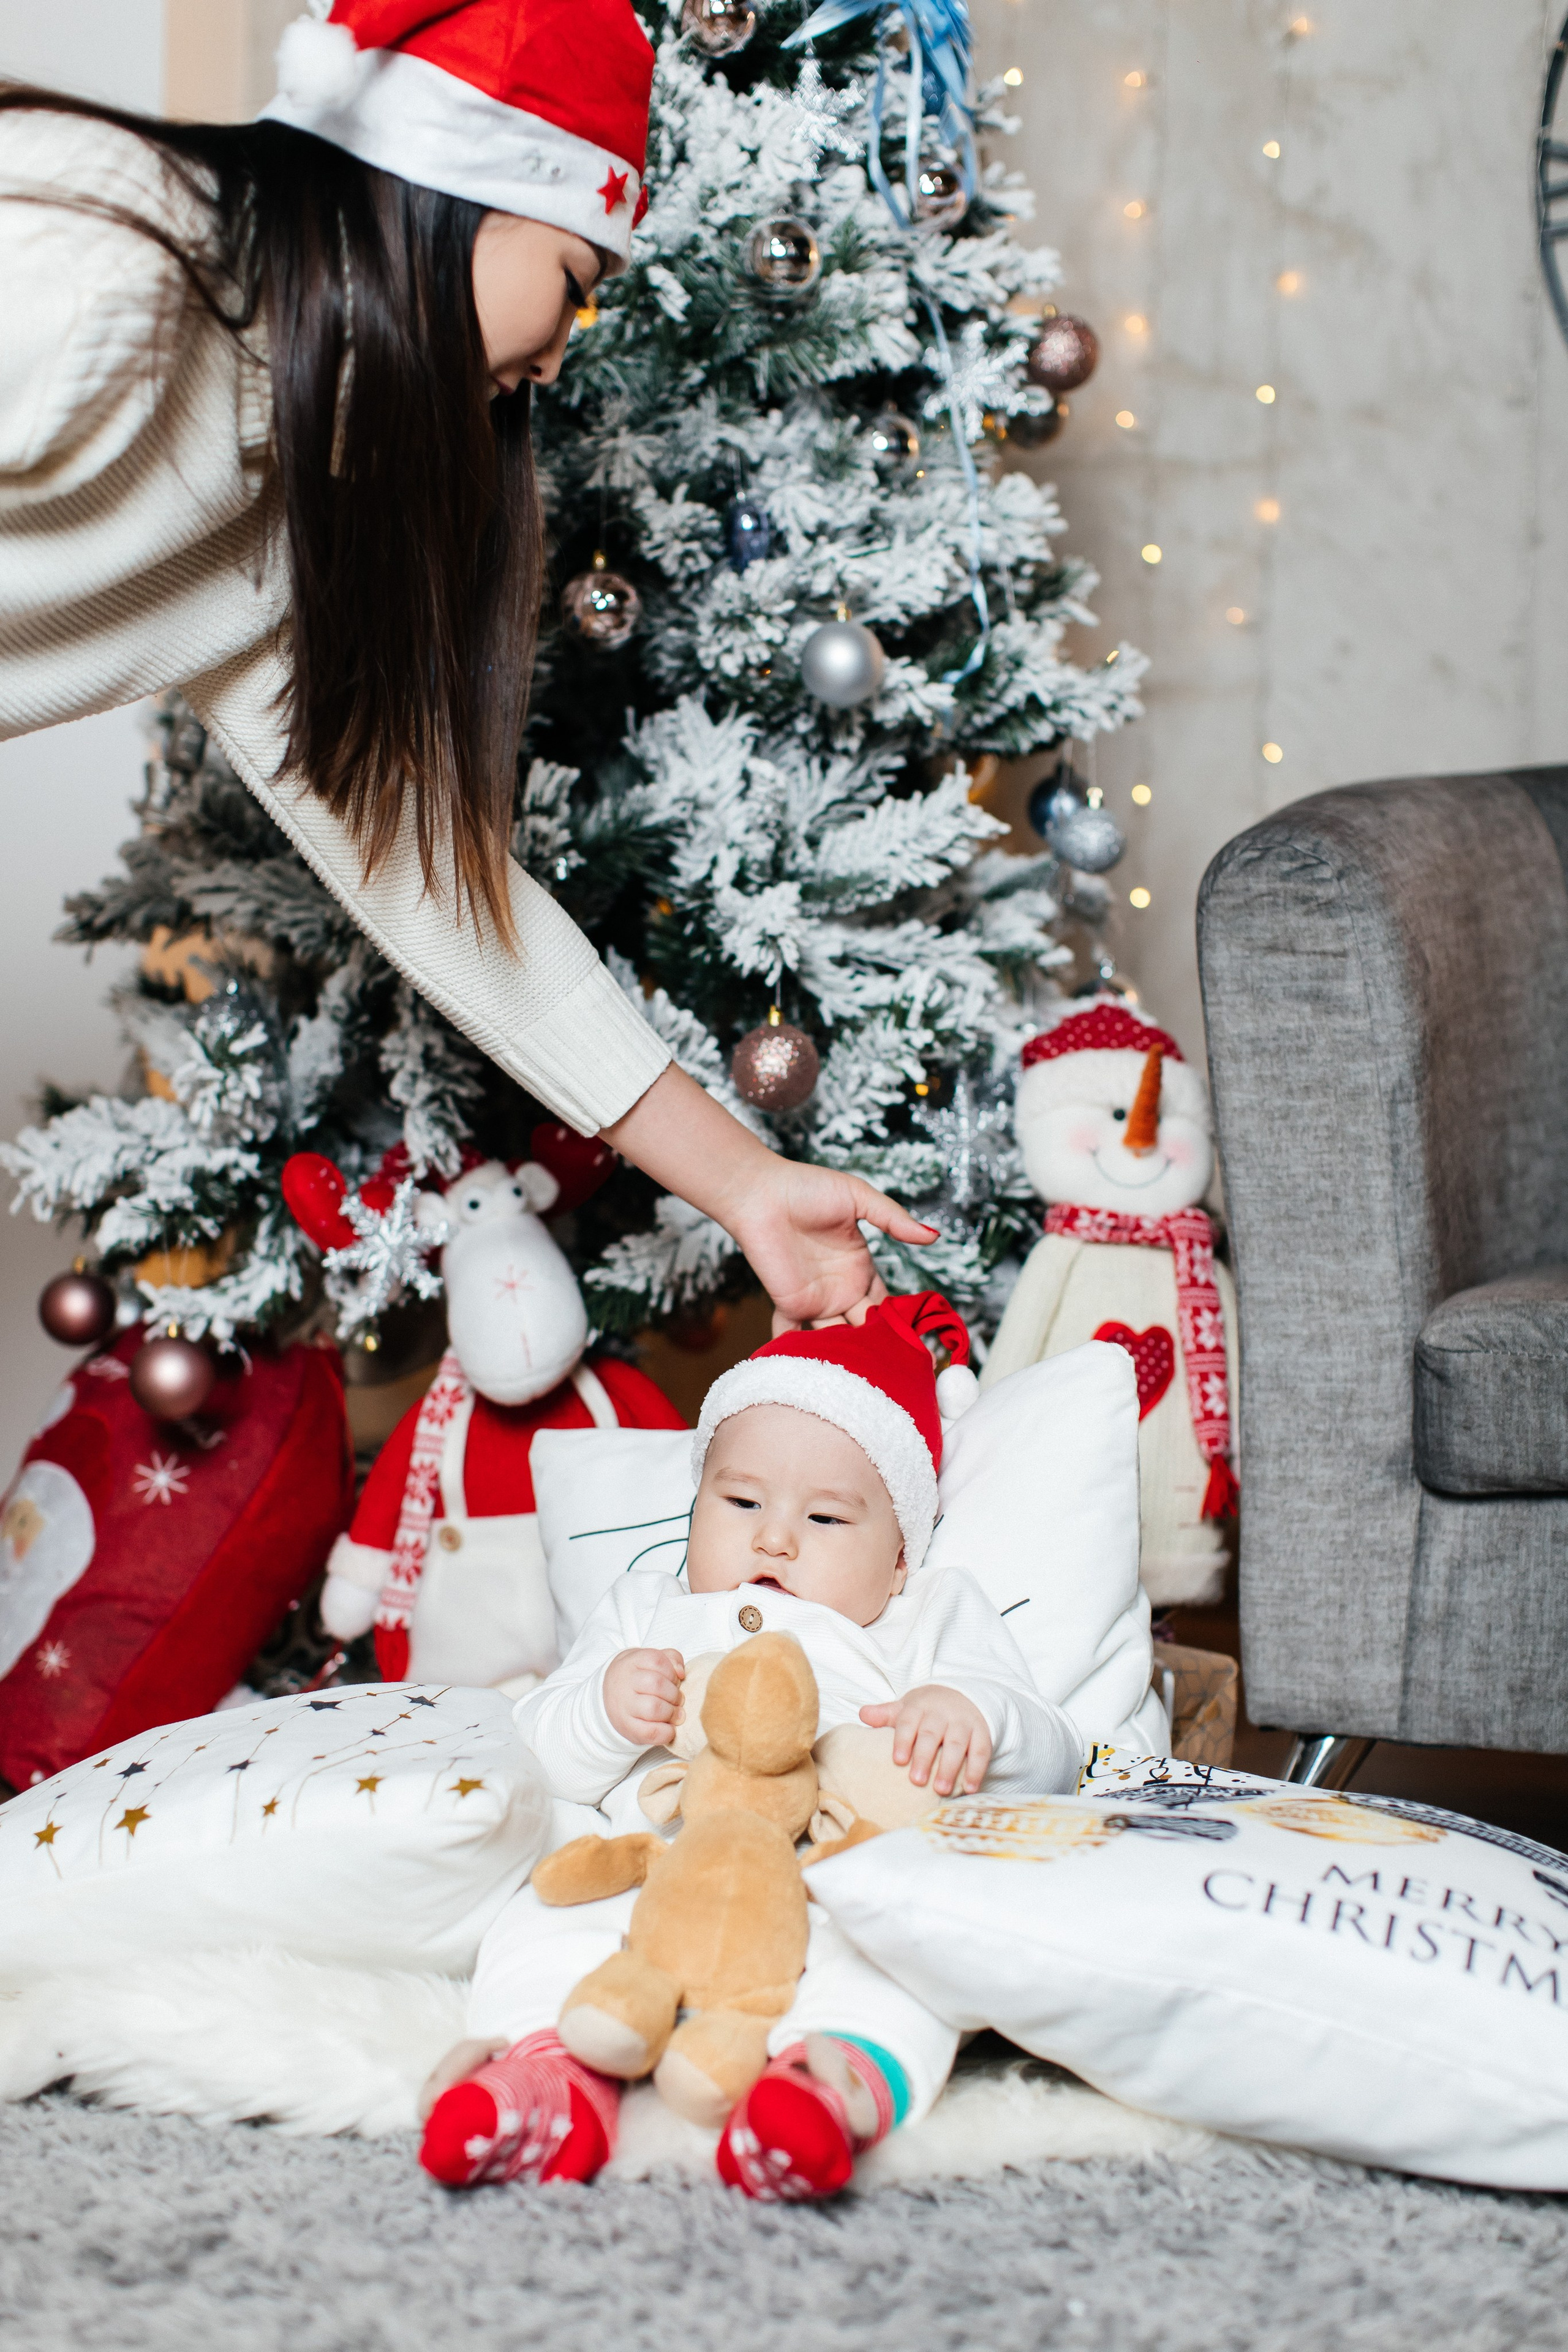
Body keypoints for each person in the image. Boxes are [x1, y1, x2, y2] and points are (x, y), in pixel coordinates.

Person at [0, 0, 933, 1330]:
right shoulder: (114, 254)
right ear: (457, 192)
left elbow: (437, 887)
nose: (558, 355)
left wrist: (741, 1181)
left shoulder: (290, 526)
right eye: (570, 278)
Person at [418, 1294, 1084, 2200]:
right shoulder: (648, 1608)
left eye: (826, 1521)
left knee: (909, 1944)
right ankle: (547, 2073)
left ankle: (826, 2082)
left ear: (898, 1560)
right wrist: (609, 1712)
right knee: (546, 1911)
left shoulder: (927, 1613)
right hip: (650, 1865)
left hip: (832, 1869)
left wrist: (972, 1715)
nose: (772, 1537)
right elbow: (544, 1748)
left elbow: (1054, 1755)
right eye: (739, 1501)